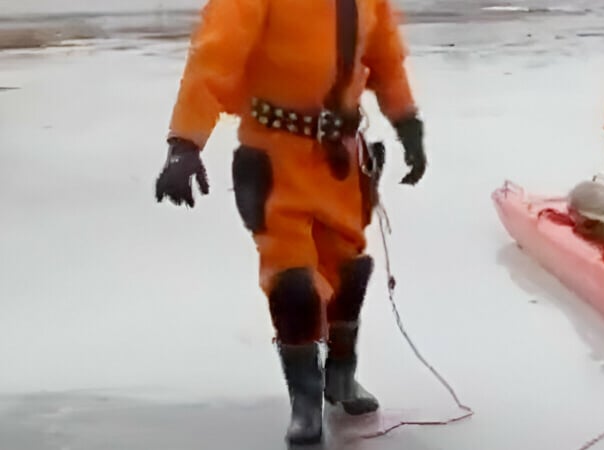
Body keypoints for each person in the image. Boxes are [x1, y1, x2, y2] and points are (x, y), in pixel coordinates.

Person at [151, 0, 426, 444]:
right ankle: (305, 399)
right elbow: (213, 59)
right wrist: (185, 143)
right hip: (275, 158)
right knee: (292, 283)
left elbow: (386, 58)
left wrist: (407, 122)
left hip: (342, 161)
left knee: (350, 272)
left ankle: (341, 376)